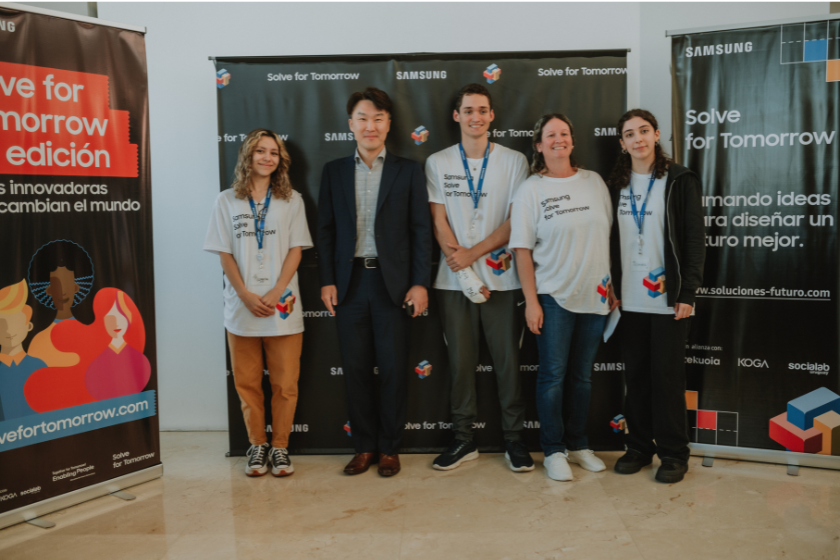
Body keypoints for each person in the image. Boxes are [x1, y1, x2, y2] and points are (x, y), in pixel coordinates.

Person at [317, 87, 432, 477]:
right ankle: (364, 446)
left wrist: (420, 282)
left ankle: (389, 448)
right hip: (349, 284)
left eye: (379, 118)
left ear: (389, 124)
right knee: (355, 370)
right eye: (363, 118)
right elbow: (326, 231)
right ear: (351, 124)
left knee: (395, 369)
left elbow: (421, 231)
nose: (371, 125)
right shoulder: (333, 171)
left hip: (393, 285)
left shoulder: (408, 169)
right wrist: (327, 280)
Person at [426, 83, 533, 472]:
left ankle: (515, 441)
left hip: (503, 278)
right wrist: (463, 262)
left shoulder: (514, 161)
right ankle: (463, 439)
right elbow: (438, 219)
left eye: (483, 110)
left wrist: (474, 253)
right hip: (454, 280)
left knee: (507, 362)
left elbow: (516, 221)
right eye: (468, 110)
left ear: (492, 116)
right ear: (457, 116)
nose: (476, 117)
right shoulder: (438, 162)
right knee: (461, 362)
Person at [510, 114, 613, 481]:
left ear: (572, 140)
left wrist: (611, 287)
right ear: (538, 145)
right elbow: (521, 250)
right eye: (550, 135)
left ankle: (579, 444)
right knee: (552, 376)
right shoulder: (530, 190)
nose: (559, 139)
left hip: (595, 296)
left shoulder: (594, 182)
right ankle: (553, 449)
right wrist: (532, 301)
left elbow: (605, 237)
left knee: (582, 377)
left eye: (565, 133)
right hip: (553, 296)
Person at [204, 128, 313, 477]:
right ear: (247, 156)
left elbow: (296, 249)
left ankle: (280, 447)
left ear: (281, 160)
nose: (267, 157)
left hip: (282, 305)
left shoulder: (291, 200)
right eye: (260, 151)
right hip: (242, 306)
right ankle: (257, 445)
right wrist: (246, 295)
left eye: (274, 152)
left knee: (285, 383)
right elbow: (224, 254)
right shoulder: (226, 201)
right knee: (247, 383)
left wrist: (277, 289)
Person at [608, 109, 705, 484]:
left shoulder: (679, 180)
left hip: (669, 300)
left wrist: (688, 292)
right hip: (628, 300)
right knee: (637, 378)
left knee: (666, 379)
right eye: (630, 134)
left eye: (644, 131)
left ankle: (673, 453)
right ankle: (637, 447)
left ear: (657, 134)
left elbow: (695, 241)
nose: (638, 139)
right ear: (622, 143)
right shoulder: (615, 182)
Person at [27, 240, 94, 367]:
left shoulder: (89, 336)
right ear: (49, 290)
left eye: (67, 284)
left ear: (76, 287)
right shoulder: (38, 342)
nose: (63, 292)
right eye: (56, 286)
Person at [0, 280, 46, 420]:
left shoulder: (39, 366)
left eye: (15, 321)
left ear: (29, 325)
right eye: (2, 323)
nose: (8, 330)